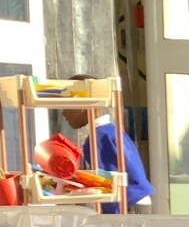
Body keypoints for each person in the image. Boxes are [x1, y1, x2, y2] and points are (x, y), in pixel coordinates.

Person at [60, 78, 152, 213]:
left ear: (80, 105)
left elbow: (106, 187)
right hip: (133, 201)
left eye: (65, 106)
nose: (63, 113)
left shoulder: (99, 138)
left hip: (127, 204)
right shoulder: (110, 131)